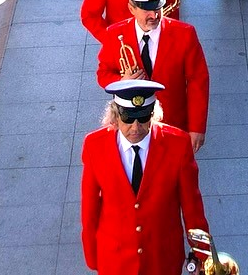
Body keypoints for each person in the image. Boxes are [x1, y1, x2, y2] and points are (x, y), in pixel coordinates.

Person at [79, 79, 209, 275]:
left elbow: (192, 207)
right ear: (115, 116)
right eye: (128, 118)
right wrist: (92, 257)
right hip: (115, 261)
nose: (136, 127)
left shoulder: (178, 145)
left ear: (153, 114)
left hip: (162, 259)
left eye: (142, 117)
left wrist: (201, 255)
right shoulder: (94, 146)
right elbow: (89, 209)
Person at [95, 0, 210, 149]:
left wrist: (196, 128)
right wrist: (121, 81)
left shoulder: (185, 34)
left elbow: (198, 82)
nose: (154, 15)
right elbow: (102, 74)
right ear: (131, 8)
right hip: (132, 127)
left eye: (158, 7)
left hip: (173, 125)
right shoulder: (115, 34)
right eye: (146, 10)